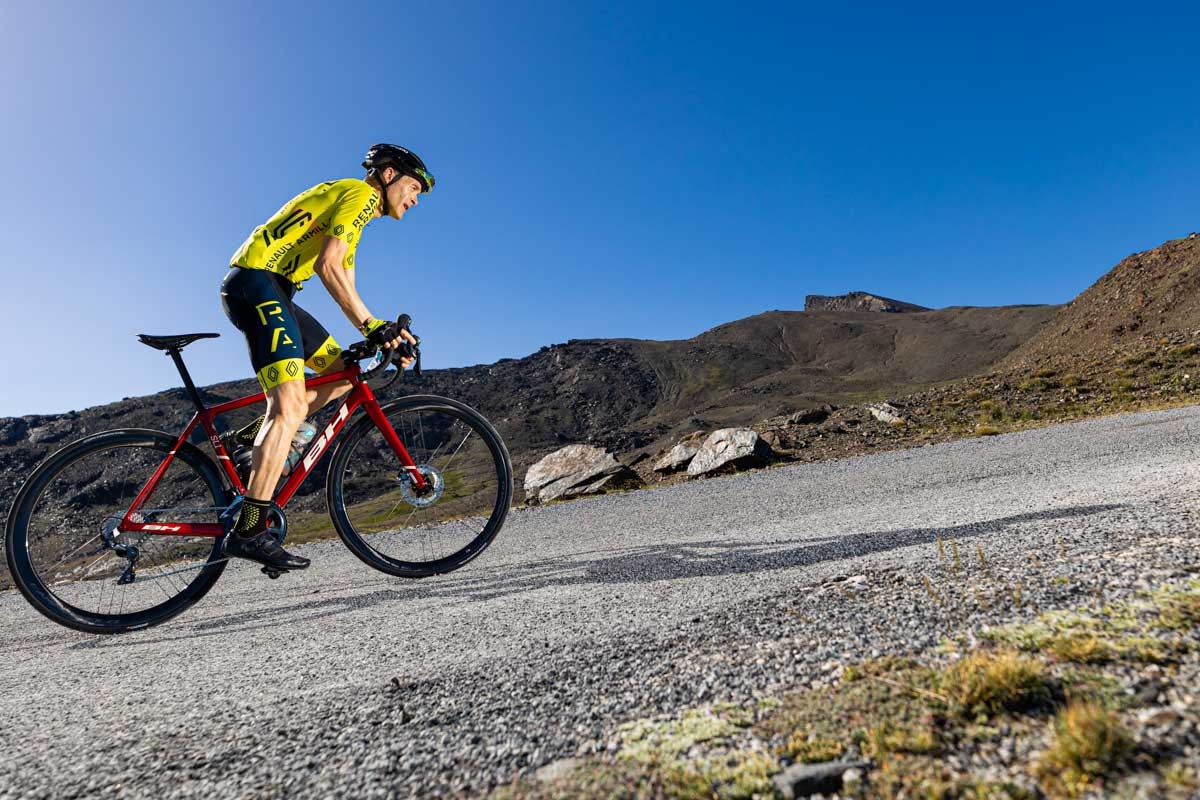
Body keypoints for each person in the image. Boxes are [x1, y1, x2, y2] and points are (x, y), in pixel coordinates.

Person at [218, 144, 433, 571]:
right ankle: (250, 529)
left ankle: (247, 442)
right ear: (388, 176)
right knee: (291, 406)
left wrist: (381, 336)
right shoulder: (359, 194)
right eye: (411, 188)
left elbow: (345, 284)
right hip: (257, 284)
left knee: (343, 375)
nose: (413, 200)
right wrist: (374, 327)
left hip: (273, 290)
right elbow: (329, 268)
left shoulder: (355, 216)